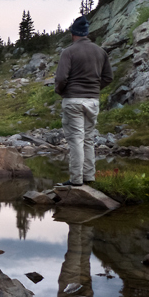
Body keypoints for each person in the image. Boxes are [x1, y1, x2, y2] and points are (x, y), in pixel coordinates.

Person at [54, 16, 113, 187]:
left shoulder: (69, 52)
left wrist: (61, 91)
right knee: (88, 139)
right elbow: (108, 77)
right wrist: (94, 89)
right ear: (87, 33)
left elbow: (61, 78)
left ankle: (76, 180)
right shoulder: (100, 51)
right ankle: (89, 176)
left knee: (76, 139)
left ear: (73, 33)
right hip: (92, 101)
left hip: (73, 100)